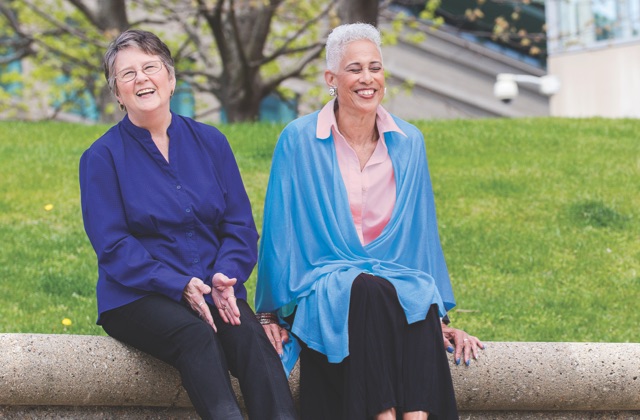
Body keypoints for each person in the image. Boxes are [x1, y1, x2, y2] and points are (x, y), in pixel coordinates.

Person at [255, 23, 484, 420]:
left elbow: (420, 235)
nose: (367, 79)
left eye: (375, 68)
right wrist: (269, 314)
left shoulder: (409, 142)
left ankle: (414, 415)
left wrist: (438, 318)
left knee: (410, 290)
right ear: (332, 79)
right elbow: (280, 231)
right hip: (323, 282)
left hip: (390, 281)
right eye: (354, 69)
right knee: (365, 287)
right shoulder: (297, 139)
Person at [79, 29, 296, 420]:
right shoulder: (101, 157)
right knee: (196, 336)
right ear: (116, 92)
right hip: (136, 296)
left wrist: (225, 276)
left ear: (171, 78)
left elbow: (240, 227)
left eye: (150, 67)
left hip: (214, 289)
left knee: (248, 337)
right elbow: (112, 245)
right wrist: (177, 283)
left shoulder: (211, 142)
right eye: (127, 74)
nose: (141, 79)